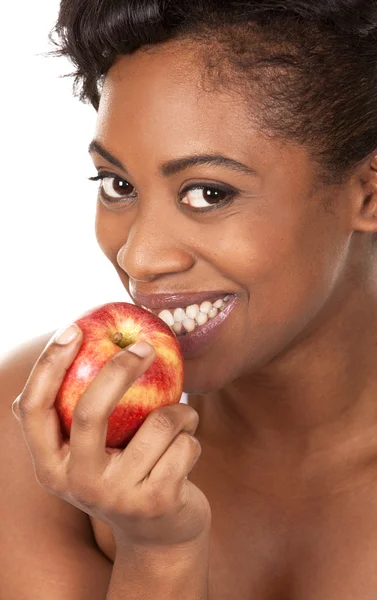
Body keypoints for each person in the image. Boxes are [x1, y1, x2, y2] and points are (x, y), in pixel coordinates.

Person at [1, 0, 377, 598]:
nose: (138, 257)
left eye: (208, 192)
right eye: (118, 185)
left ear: (367, 194)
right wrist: (157, 553)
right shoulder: (35, 422)